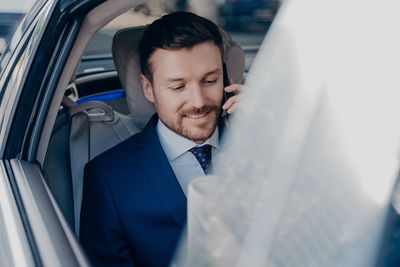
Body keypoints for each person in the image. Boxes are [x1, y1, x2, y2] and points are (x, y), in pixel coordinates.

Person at [79, 11, 242, 267]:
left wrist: (268, 129)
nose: (198, 102)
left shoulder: (267, 147)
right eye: (178, 87)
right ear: (148, 89)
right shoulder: (108, 178)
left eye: (210, 80)